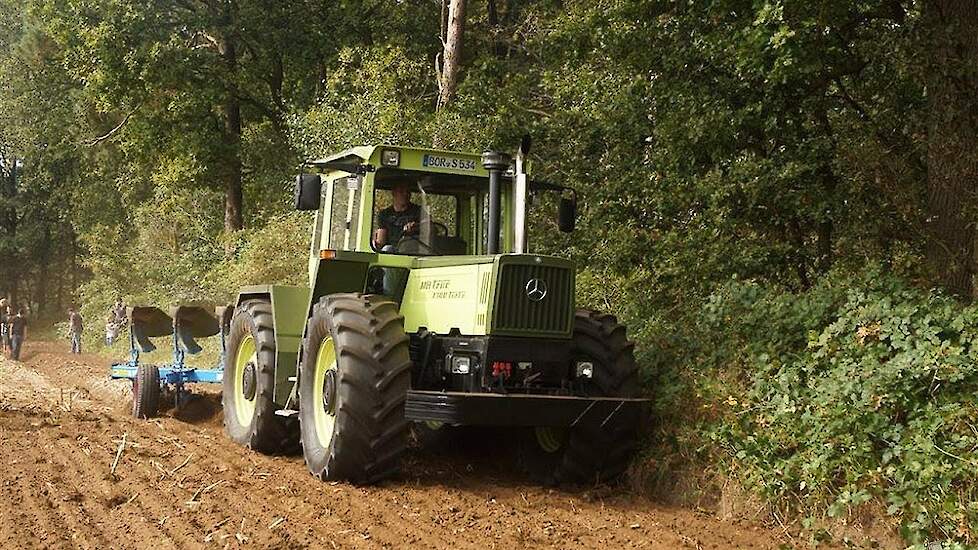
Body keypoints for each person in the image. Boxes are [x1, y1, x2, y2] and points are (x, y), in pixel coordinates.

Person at [372, 181, 422, 251]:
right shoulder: (385, 214)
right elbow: (381, 241)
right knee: (387, 249)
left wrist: (416, 226)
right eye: (401, 192)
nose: (405, 194)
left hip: (413, 249)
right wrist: (376, 242)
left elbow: (430, 227)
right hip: (393, 251)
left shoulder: (418, 211)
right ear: (393, 193)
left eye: (408, 192)